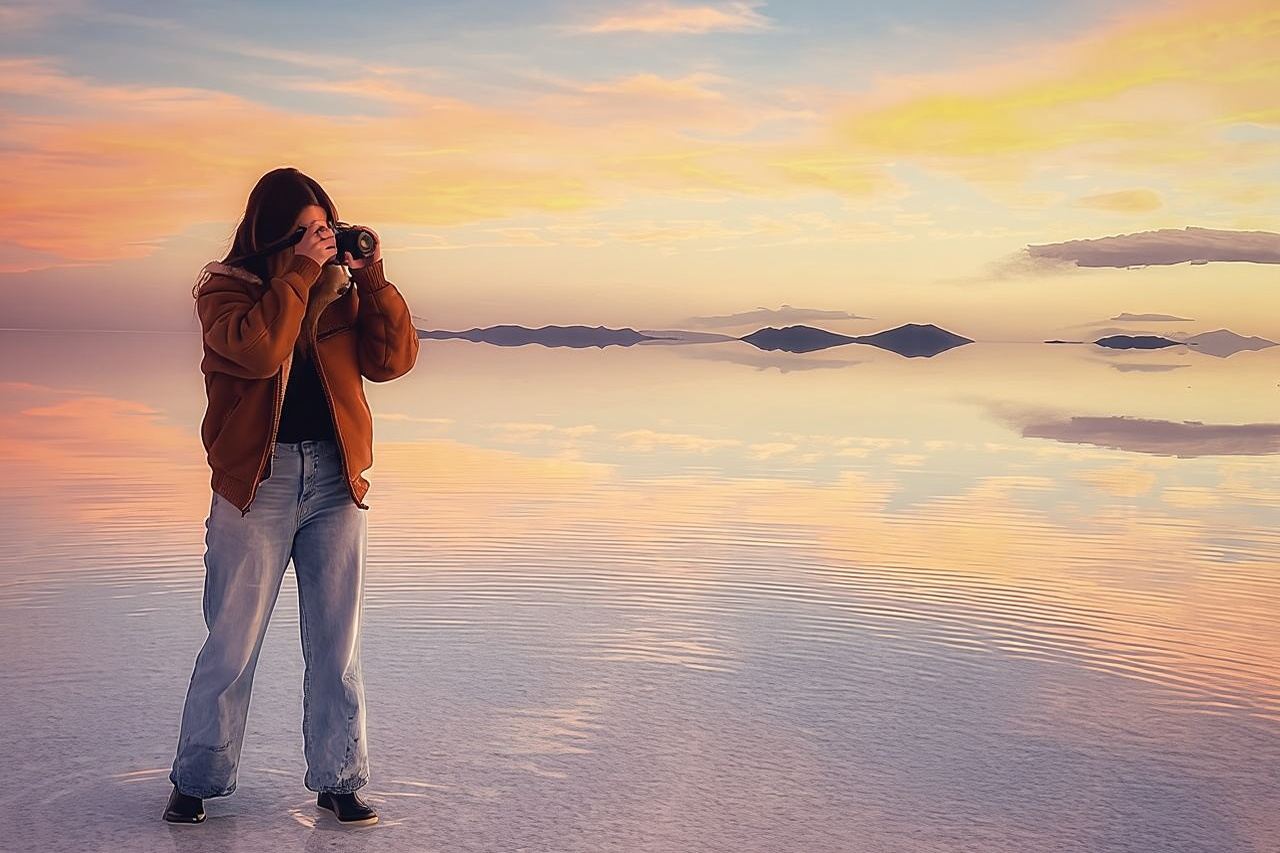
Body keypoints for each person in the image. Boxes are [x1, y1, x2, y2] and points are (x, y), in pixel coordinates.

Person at [163, 167, 420, 826]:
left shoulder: (339, 291)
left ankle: (340, 780)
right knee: (231, 642)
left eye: (324, 230)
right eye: (305, 232)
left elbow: (393, 362)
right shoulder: (225, 292)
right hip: (257, 484)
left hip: (336, 480)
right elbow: (258, 351)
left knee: (337, 644)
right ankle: (197, 780)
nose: (319, 242)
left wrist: (374, 279)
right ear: (272, 233)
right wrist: (301, 277)